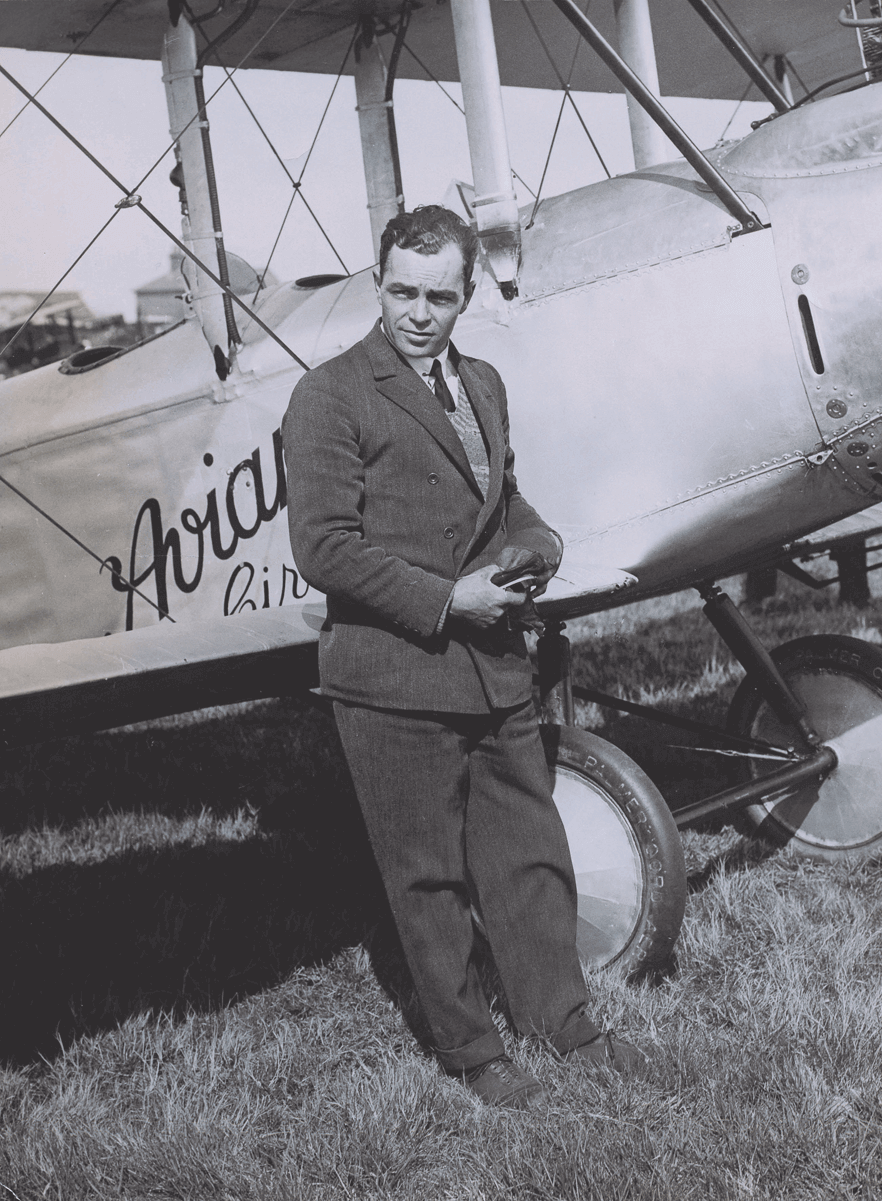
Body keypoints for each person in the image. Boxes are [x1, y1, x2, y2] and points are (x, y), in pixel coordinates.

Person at [281, 205, 643, 1109]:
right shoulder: (330, 394)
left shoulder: (482, 381)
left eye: (438, 297)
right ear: (378, 284)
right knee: (428, 875)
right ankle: (474, 1053)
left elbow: (503, 496)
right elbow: (324, 548)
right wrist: (450, 600)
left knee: (531, 855)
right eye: (401, 291)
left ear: (466, 296)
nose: (417, 313)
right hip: (393, 678)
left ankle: (564, 1022)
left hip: (494, 668)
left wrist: (539, 540)